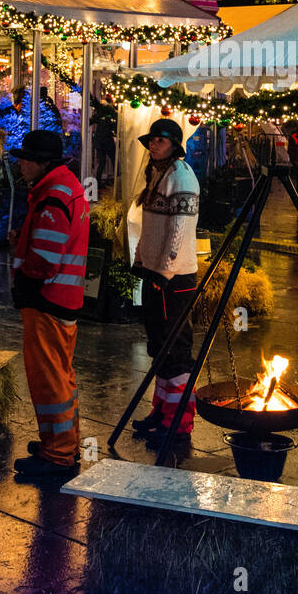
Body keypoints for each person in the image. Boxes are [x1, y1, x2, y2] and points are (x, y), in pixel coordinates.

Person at [7, 130, 90, 478]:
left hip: (47, 299)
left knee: (48, 380)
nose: (20, 164)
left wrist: (24, 269)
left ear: (42, 163)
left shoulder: (53, 195)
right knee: (61, 375)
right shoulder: (63, 186)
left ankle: (57, 456)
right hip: (63, 299)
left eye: (25, 159)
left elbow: (45, 258)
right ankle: (63, 443)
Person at [130, 118, 201, 451]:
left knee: (175, 349)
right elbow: (153, 227)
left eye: (160, 139)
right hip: (156, 272)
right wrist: (143, 261)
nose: (153, 144)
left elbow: (180, 230)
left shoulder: (182, 177)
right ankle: (162, 413)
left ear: (174, 144)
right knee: (159, 345)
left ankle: (179, 422)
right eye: (151, 140)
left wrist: (165, 271)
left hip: (174, 278)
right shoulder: (159, 174)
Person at [93, 116, 116, 185]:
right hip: (106, 143)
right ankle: (116, 180)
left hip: (100, 143)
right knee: (114, 161)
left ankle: (98, 182)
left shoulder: (100, 117)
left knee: (102, 163)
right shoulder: (109, 117)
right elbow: (113, 129)